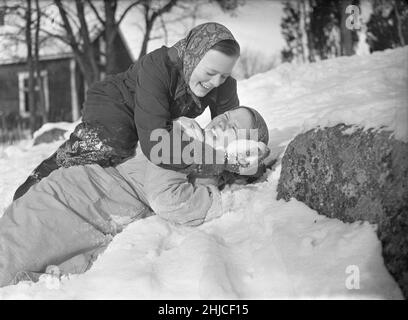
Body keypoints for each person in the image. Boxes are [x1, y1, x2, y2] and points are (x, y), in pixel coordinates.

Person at [0, 106, 270, 288]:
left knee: (17, 282)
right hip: (67, 201)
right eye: (228, 115)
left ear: (243, 148)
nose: (224, 120)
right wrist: (219, 189)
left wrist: (227, 170)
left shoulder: (202, 160)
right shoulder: (182, 135)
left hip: (86, 219)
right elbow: (168, 199)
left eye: (235, 127)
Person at [13, 22, 258, 201]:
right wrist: (217, 161)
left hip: (152, 114)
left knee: (135, 159)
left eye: (224, 75)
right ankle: (36, 184)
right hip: (117, 104)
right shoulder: (158, 66)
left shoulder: (224, 86)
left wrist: (248, 164)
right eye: (210, 72)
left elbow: (232, 135)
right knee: (113, 144)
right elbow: (156, 144)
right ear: (193, 58)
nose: (216, 82)